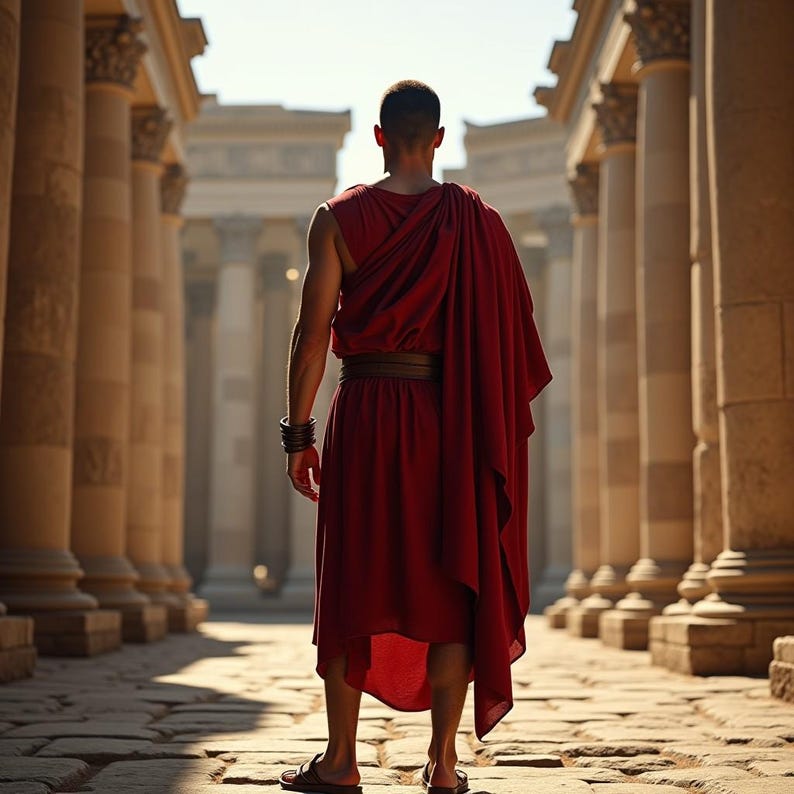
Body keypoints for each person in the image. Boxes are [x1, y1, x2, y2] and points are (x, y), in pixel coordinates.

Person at [279, 80, 551, 794]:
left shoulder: (337, 220)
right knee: (449, 584)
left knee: (351, 581)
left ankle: (340, 761)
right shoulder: (477, 222)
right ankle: (445, 763)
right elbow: (512, 340)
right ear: (436, 139)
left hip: (365, 411)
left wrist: (299, 433)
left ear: (377, 137)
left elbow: (311, 337)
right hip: (446, 417)